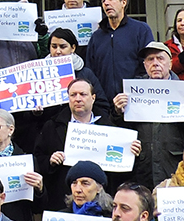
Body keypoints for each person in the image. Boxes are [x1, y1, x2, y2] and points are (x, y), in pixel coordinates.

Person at [113, 42, 184, 188]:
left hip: (174, 166)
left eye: (160, 58)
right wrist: (118, 112)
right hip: (142, 167)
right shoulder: (132, 90)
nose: (155, 63)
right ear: (145, 65)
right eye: (150, 59)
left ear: (170, 64)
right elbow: (119, 130)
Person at [36, 79, 138, 211]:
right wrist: (50, 161)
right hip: (63, 201)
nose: (77, 99)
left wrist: (131, 154)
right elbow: (38, 159)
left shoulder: (110, 128)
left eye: (83, 94)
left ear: (93, 98)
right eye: (73, 95)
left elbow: (122, 173)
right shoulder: (52, 126)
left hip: (101, 203)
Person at [85, 0, 155, 104]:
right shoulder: (96, 37)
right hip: (104, 104)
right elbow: (90, 71)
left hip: (135, 101)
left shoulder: (141, 30)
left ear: (123, 2)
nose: (106, 3)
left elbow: (148, 65)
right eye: (103, 0)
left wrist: (131, 92)